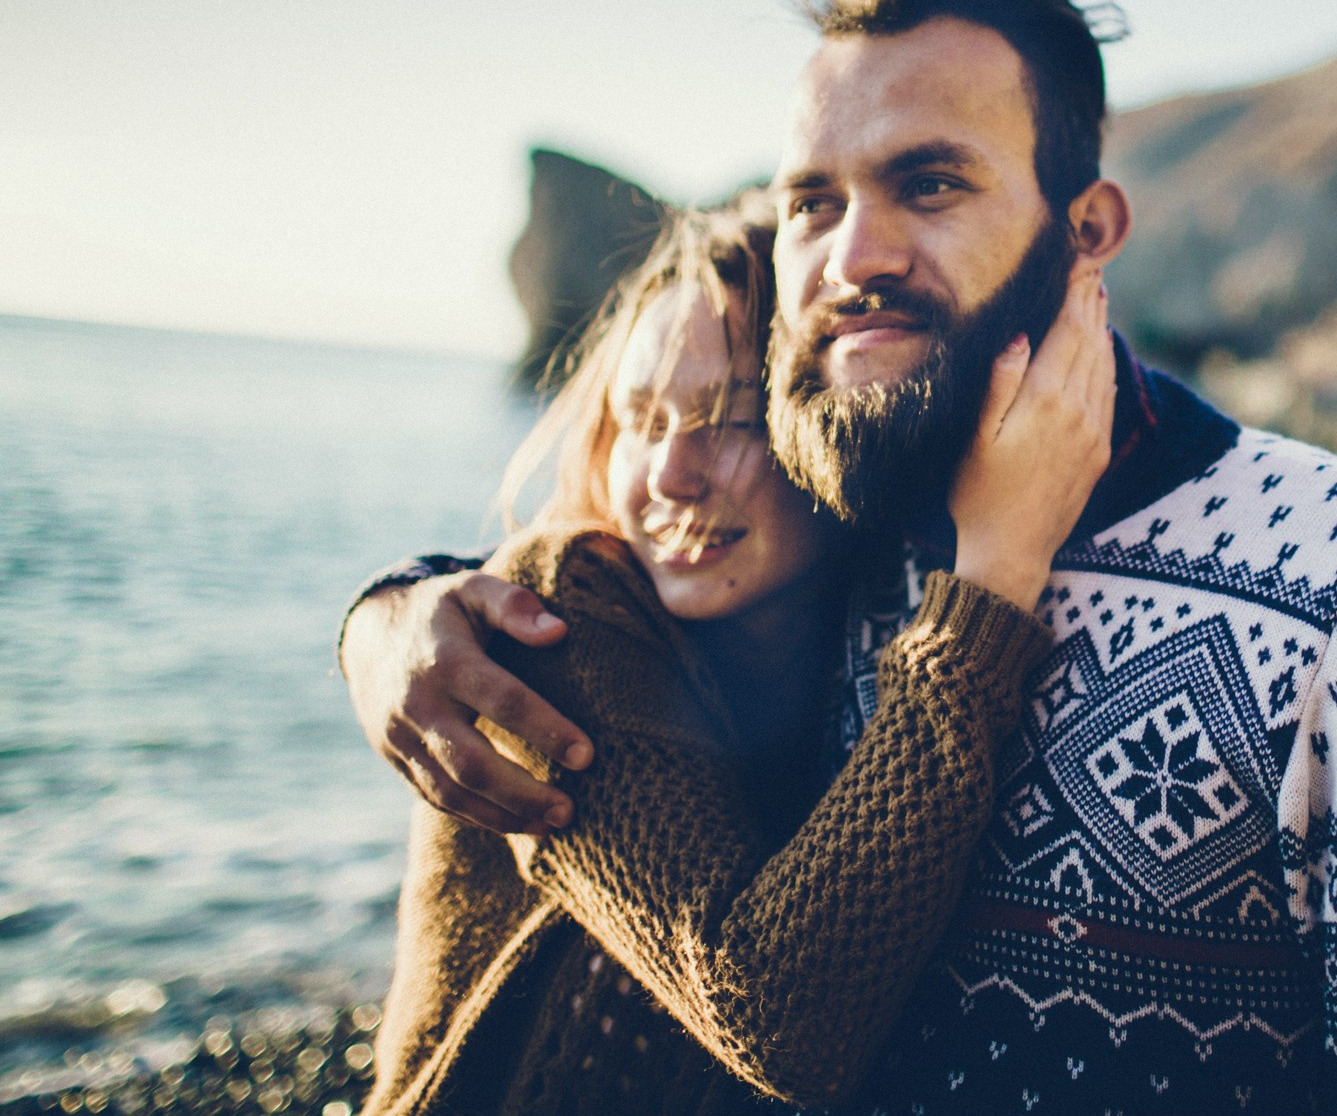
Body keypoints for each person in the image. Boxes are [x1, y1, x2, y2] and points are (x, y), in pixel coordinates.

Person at [343, 0, 1337, 1113]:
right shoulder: (845, 530)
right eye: (812, 202)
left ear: (1088, 228)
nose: (855, 256)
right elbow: (595, 596)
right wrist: (394, 611)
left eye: (929, 183)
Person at [360, 211, 1118, 1115]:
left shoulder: (865, 612)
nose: (669, 475)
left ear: (836, 432)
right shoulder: (558, 611)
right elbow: (776, 1017)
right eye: (642, 421)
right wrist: (996, 575)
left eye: (731, 420)